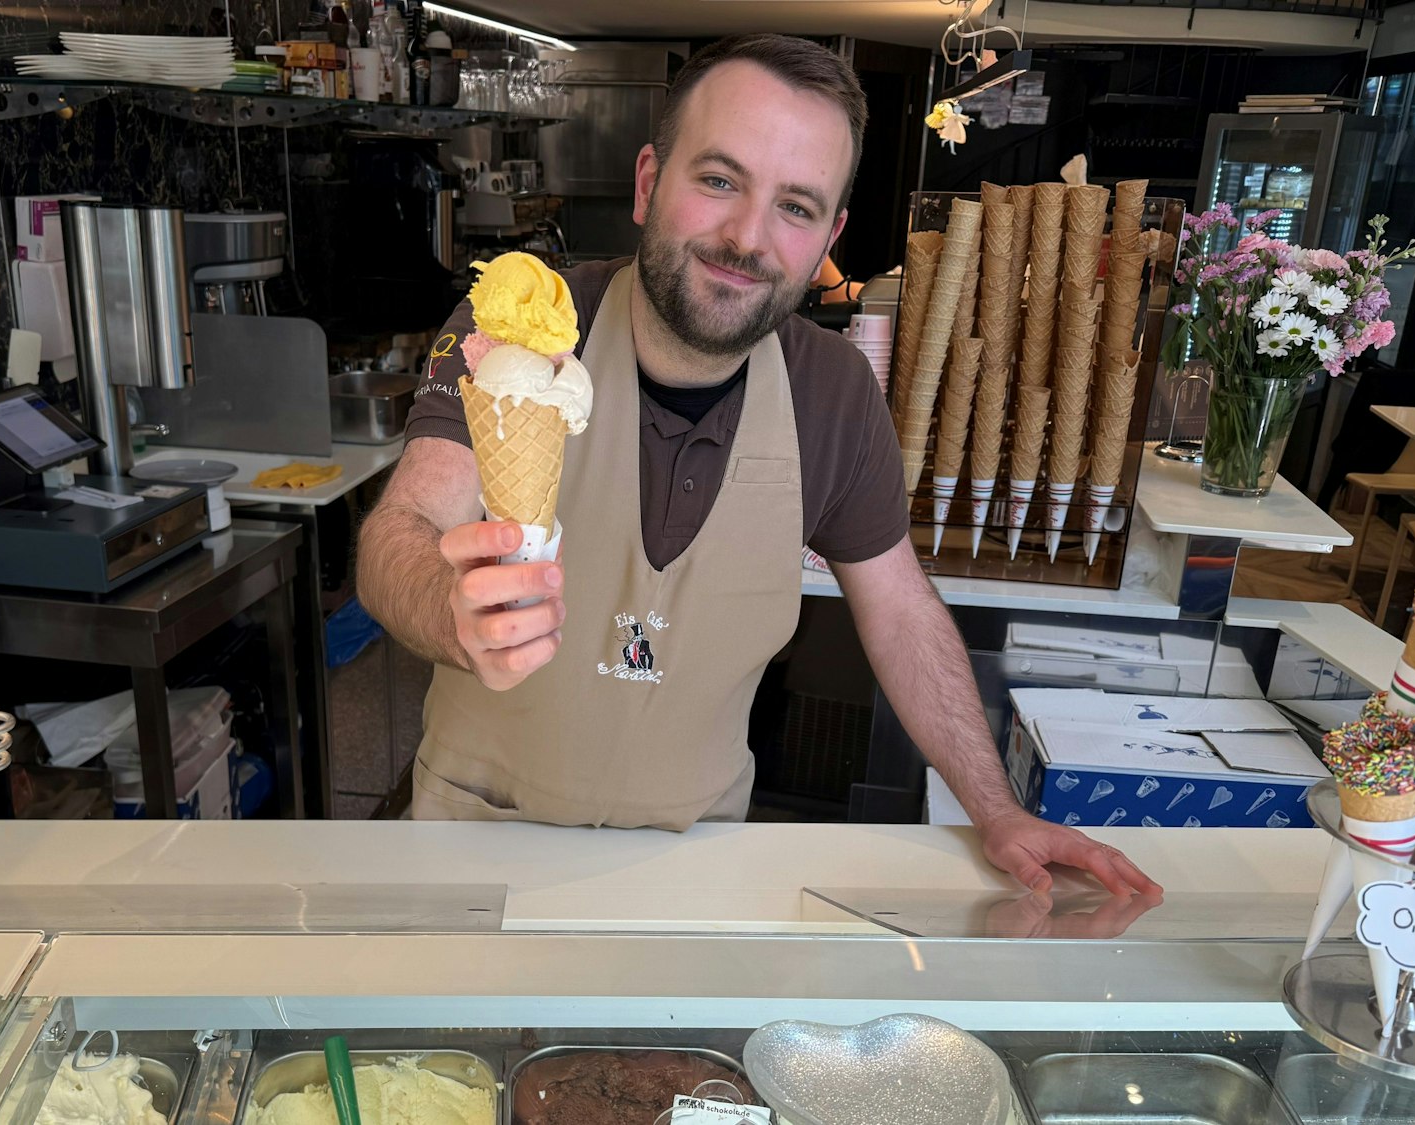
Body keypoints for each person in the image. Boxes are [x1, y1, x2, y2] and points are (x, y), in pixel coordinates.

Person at [357, 34, 1157, 897]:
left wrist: (996, 810)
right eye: (718, 180)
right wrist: (450, 608)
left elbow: (899, 610)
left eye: (796, 206)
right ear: (647, 182)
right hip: (475, 848)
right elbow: (401, 530)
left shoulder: (836, 393)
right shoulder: (521, 325)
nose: (747, 237)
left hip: (698, 871)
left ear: (829, 238)